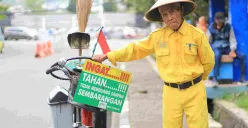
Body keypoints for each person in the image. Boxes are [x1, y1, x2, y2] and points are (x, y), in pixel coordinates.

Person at [93, 0, 215, 127]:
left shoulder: (197, 35)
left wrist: (198, 80)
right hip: (171, 91)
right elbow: (135, 50)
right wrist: (108, 55)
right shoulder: (157, 37)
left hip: (195, 90)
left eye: (172, 12)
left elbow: (209, 61)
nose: (169, 18)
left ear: (181, 10)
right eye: (165, 15)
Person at [209, 12, 246, 84]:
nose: (220, 23)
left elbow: (232, 39)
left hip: (227, 47)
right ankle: (215, 78)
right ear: (215, 20)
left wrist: (233, 50)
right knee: (217, 55)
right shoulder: (211, 28)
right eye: (218, 21)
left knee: (242, 56)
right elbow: (207, 40)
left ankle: (242, 78)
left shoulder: (229, 27)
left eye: (221, 21)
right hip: (216, 47)